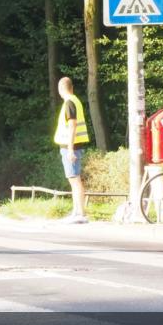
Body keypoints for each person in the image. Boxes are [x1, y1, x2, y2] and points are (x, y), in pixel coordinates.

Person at [54, 77, 90, 224]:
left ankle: (80, 213)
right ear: (72, 88)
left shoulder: (69, 103)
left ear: (60, 89)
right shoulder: (75, 101)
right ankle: (76, 212)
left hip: (72, 147)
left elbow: (72, 126)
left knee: (75, 180)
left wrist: (69, 149)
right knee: (74, 179)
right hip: (74, 146)